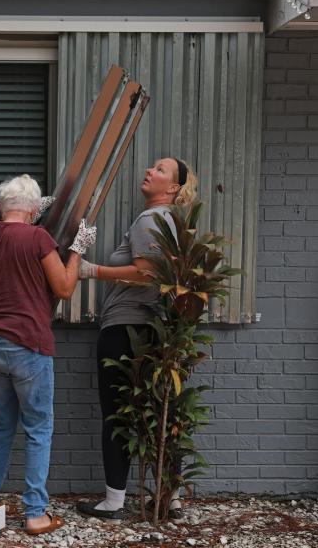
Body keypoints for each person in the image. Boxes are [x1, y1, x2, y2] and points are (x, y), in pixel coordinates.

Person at [75, 157, 198, 520]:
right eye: (152, 167)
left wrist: (91, 270)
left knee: (116, 415)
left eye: (160, 170)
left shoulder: (151, 219)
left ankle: (113, 501)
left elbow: (147, 273)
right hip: (156, 332)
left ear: (173, 188)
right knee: (159, 414)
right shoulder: (175, 223)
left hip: (126, 329)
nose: (149, 171)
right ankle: (169, 499)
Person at [0, 174, 97, 535]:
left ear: (1, 208)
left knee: (0, 427)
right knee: (38, 429)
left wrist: (29, 212)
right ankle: (35, 514)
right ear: (32, 210)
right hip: (27, 344)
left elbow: (14, 237)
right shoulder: (38, 237)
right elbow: (62, 286)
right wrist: (77, 249)